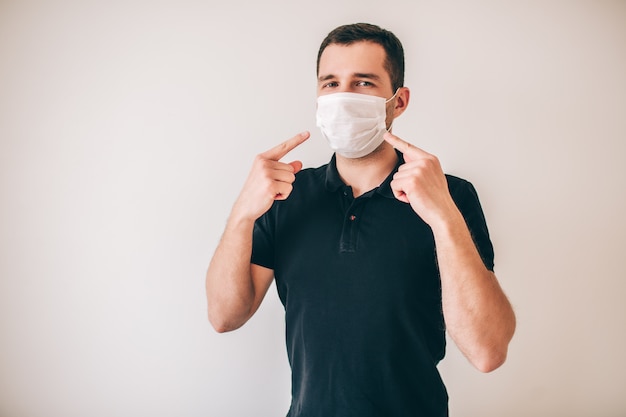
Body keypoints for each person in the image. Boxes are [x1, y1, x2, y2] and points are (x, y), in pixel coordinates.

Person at [206, 22, 516, 417]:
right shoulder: (287, 196)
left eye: (364, 83)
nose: (343, 97)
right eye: (330, 83)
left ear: (398, 102)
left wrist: (444, 218)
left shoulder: (450, 195)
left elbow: (487, 351)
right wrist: (241, 214)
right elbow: (224, 316)